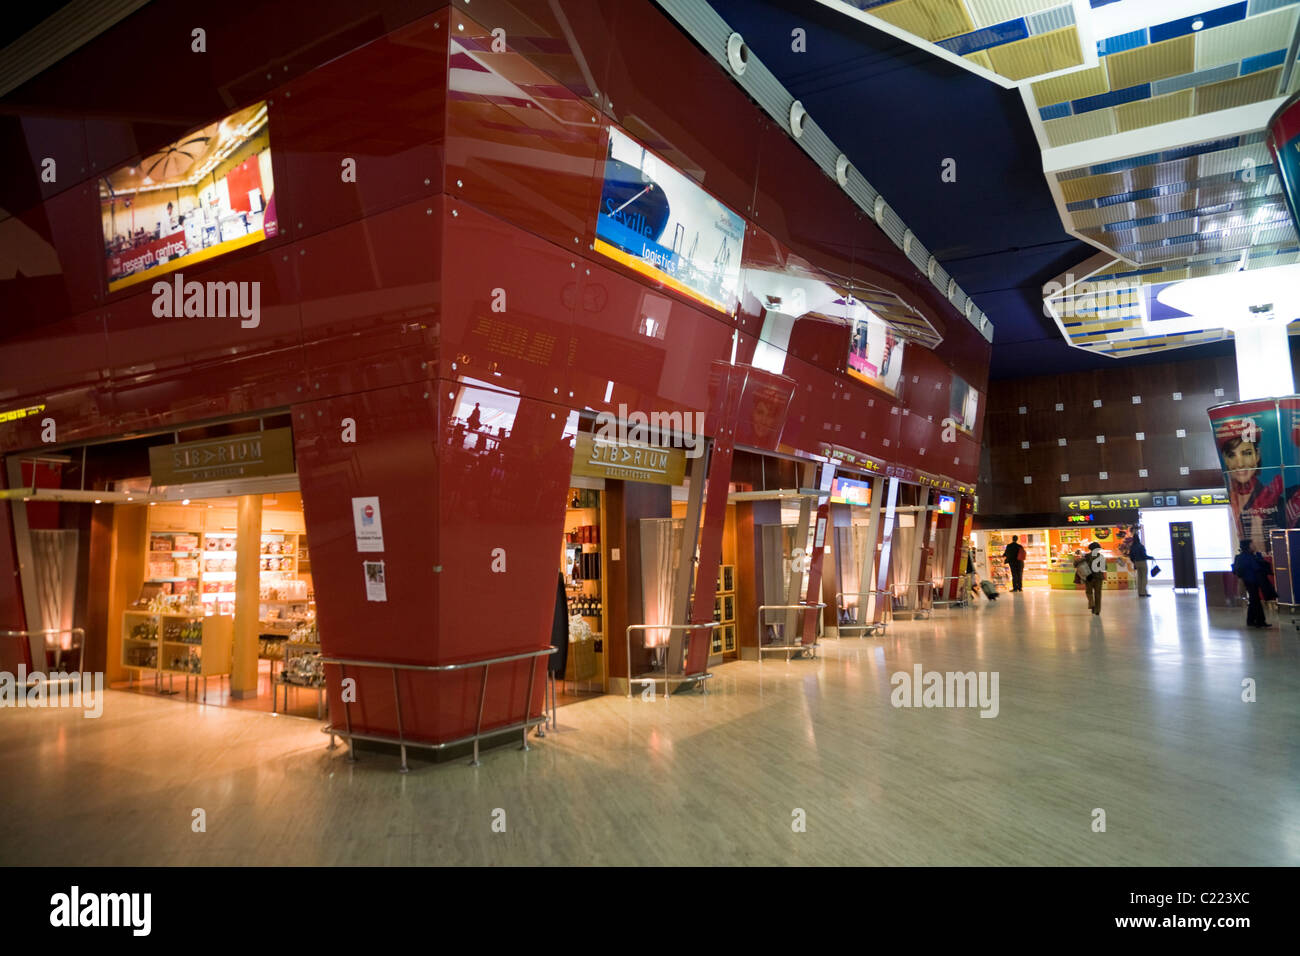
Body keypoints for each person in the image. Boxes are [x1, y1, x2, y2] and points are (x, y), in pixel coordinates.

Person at [1232, 539, 1270, 628]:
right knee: (1255, 600)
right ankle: (1259, 621)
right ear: (1248, 546)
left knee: (1254, 600)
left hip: (1252, 581)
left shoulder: (1249, 556)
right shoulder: (1246, 557)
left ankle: (1251, 620)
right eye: (1252, 544)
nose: (1254, 545)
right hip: (1250, 581)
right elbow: (1256, 567)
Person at [1084, 541, 1106, 615]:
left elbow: (1082, 566)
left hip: (1089, 577)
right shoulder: (1101, 557)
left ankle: (1091, 603)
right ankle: (1097, 610)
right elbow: (1104, 567)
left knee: (1089, 592)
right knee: (1098, 594)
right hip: (1098, 577)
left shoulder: (1086, 556)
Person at [1128, 526, 1151, 597]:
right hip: (1143, 562)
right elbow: (1144, 556)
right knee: (1144, 577)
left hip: (1136, 563)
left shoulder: (1132, 547)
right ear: (1139, 539)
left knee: (1139, 577)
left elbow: (1130, 556)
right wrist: (1151, 557)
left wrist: (1134, 562)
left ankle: (1139, 593)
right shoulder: (1141, 546)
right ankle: (1144, 592)